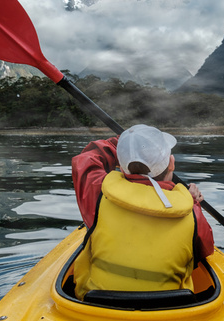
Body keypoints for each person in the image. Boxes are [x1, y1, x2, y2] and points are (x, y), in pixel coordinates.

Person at [71, 124, 214, 300]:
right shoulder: (191, 212)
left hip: (96, 302)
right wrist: (194, 203)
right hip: (169, 306)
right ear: (172, 163)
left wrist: (123, 143)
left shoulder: (98, 194)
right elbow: (204, 250)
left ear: (122, 168)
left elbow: (86, 158)